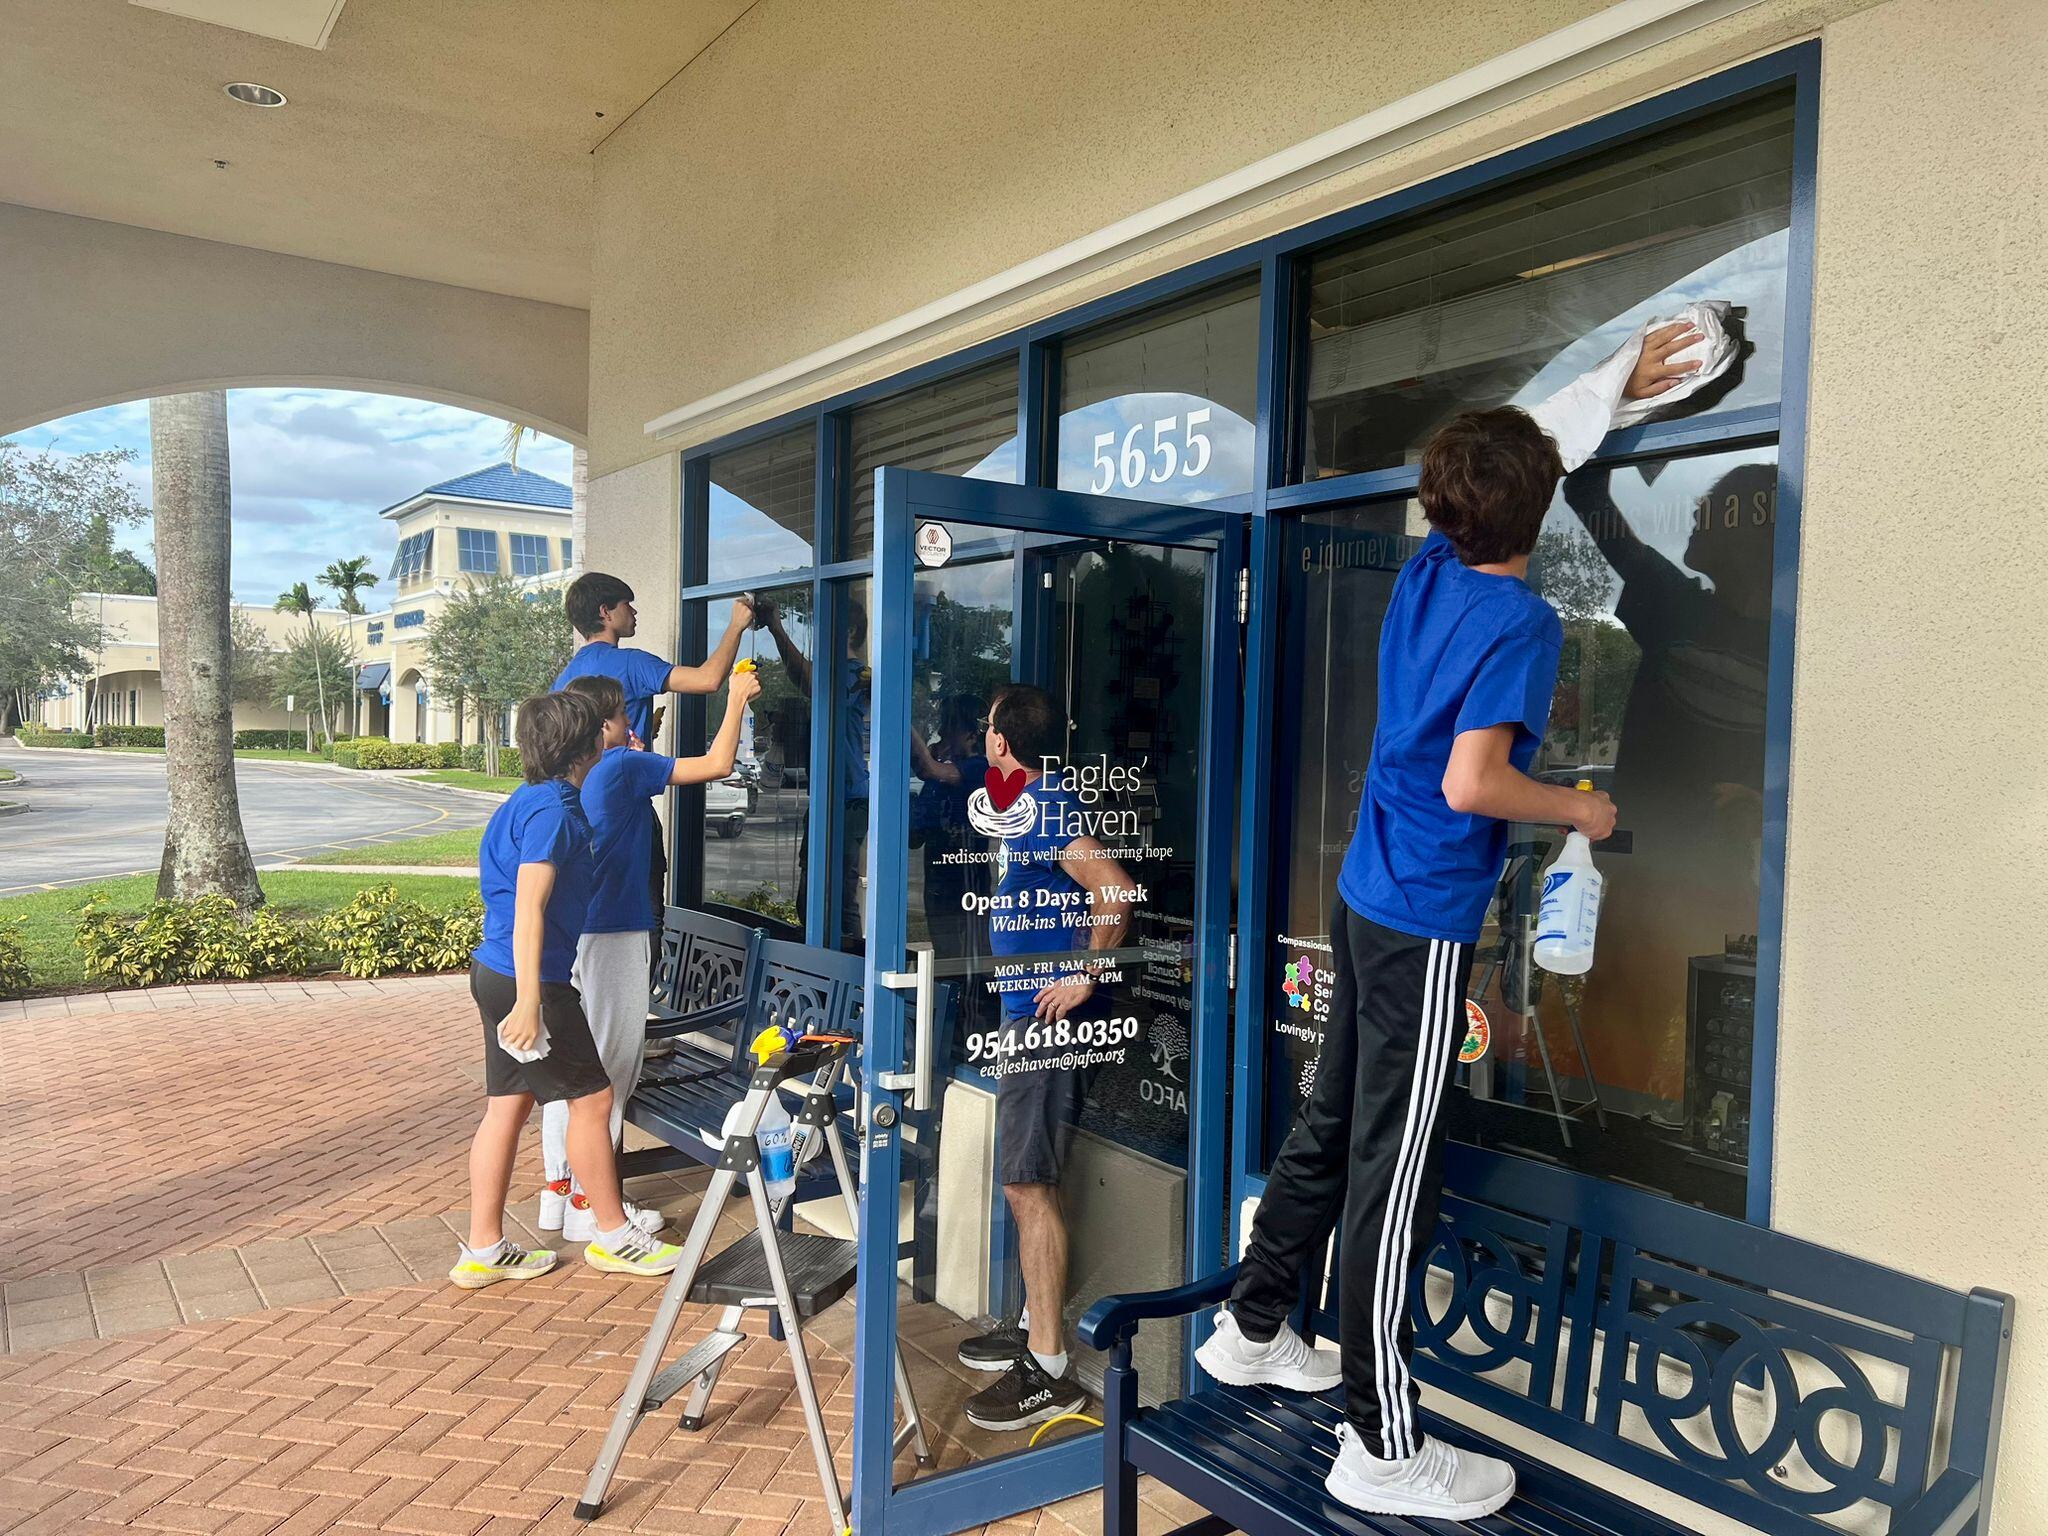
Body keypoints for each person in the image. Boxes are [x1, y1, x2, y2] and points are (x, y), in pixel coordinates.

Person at [1192, 321, 1703, 1520]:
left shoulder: (1425, 570)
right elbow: (1476, 785)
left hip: (1364, 892)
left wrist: (1606, 390)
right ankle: (1380, 1441)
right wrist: (1577, 804)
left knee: (1329, 1124)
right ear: (1535, 518)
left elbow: (1522, 459)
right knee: (1393, 1171)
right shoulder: (1520, 624)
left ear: (1446, 509)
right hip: (1423, 917)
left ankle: (1251, 1323)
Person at [450, 689, 685, 1289]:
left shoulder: (531, 800)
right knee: (593, 1100)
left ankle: (483, 1248)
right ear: (584, 744)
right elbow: (530, 906)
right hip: (531, 979)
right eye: (605, 728)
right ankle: (610, 1235)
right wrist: (532, 1000)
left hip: (498, 971)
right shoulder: (553, 813)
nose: (616, 731)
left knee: (507, 1106)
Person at [955, 683, 1142, 1433]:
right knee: (1022, 1185)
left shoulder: (1049, 808)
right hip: (1021, 1016)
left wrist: (1084, 976)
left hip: (1042, 1024)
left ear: (1002, 743)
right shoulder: (1023, 805)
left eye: (985, 727)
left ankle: (1051, 1366)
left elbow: (1117, 892)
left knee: (1026, 1185)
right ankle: (1034, 1326)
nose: (982, 738)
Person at [536, 668, 761, 1242]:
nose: (632, 721)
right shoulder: (621, 765)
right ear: (605, 724)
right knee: (609, 1067)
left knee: (571, 1068)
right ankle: (594, 1203)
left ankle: (562, 1194)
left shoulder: (576, 777)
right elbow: (715, 766)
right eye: (623, 714)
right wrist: (734, 699)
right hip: (616, 931)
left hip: (579, 928)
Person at [555, 573, 755, 933]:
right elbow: (708, 679)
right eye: (626, 605)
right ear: (605, 612)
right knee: (642, 920)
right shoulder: (630, 663)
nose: (634, 612)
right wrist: (737, 624)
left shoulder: (567, 677)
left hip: (585, 805)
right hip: (627, 805)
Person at [753, 594, 869, 945]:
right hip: (827, 798)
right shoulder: (834, 678)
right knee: (812, 896)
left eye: (823, 629)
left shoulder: (855, 676)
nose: (817, 637)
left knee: (837, 895)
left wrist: (776, 628)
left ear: (847, 632)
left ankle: (853, 982)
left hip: (847, 800)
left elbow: (809, 681)